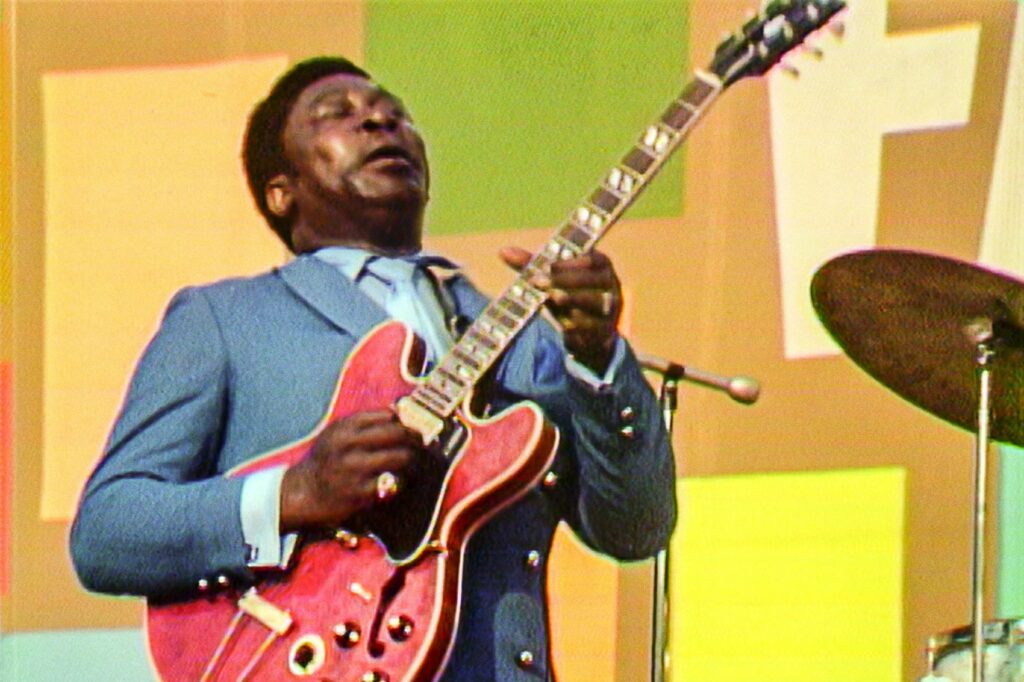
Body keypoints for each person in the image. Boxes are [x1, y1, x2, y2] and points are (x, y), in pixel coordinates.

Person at [70, 56, 676, 681]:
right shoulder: (224, 319)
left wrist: (599, 357)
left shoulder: (527, 342)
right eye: (338, 117)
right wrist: (295, 492)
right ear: (283, 190)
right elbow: (108, 532)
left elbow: (636, 529)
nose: (380, 121)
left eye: (395, 114)